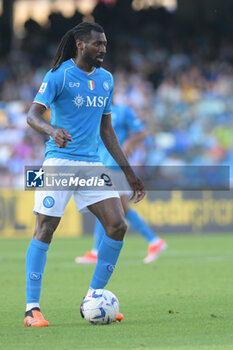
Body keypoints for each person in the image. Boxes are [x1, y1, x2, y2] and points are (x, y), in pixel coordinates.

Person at [24, 21, 145, 328]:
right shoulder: (59, 75)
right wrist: (52, 130)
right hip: (59, 162)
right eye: (97, 44)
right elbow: (32, 115)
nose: (103, 49)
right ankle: (32, 309)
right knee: (46, 228)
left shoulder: (106, 80)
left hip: (91, 164)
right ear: (80, 45)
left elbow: (107, 130)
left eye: (105, 44)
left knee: (117, 225)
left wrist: (128, 173)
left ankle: (93, 296)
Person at [75, 103, 167, 265]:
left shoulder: (123, 112)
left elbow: (142, 132)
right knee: (120, 208)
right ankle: (154, 241)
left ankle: (97, 251)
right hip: (103, 164)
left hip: (114, 164)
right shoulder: (93, 111)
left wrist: (130, 143)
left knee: (102, 203)